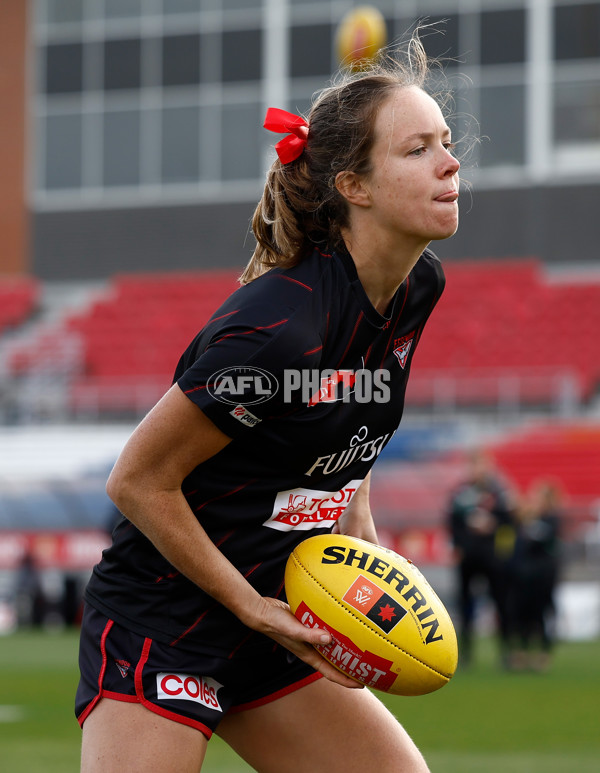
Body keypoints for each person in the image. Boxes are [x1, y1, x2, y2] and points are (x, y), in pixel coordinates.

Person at [76, 30, 461, 773]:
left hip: (282, 619)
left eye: (446, 142)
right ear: (354, 186)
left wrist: (361, 548)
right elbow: (137, 480)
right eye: (417, 150)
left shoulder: (418, 287)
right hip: (167, 620)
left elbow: (350, 425)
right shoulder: (275, 329)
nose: (451, 164)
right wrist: (252, 607)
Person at [446, 449, 516, 668]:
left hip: (492, 557)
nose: (477, 470)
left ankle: (507, 652)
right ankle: (466, 653)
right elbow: (451, 522)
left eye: (482, 465)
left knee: (501, 603)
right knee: (466, 605)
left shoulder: (500, 492)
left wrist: (493, 525)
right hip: (468, 557)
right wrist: (458, 546)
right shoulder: (460, 492)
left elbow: (510, 522)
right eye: (474, 465)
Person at [507, 479, 563, 672]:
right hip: (525, 576)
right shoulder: (525, 521)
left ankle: (543, 653)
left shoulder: (551, 520)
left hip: (543, 577)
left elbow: (540, 541)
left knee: (541, 614)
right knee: (522, 613)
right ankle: (522, 651)